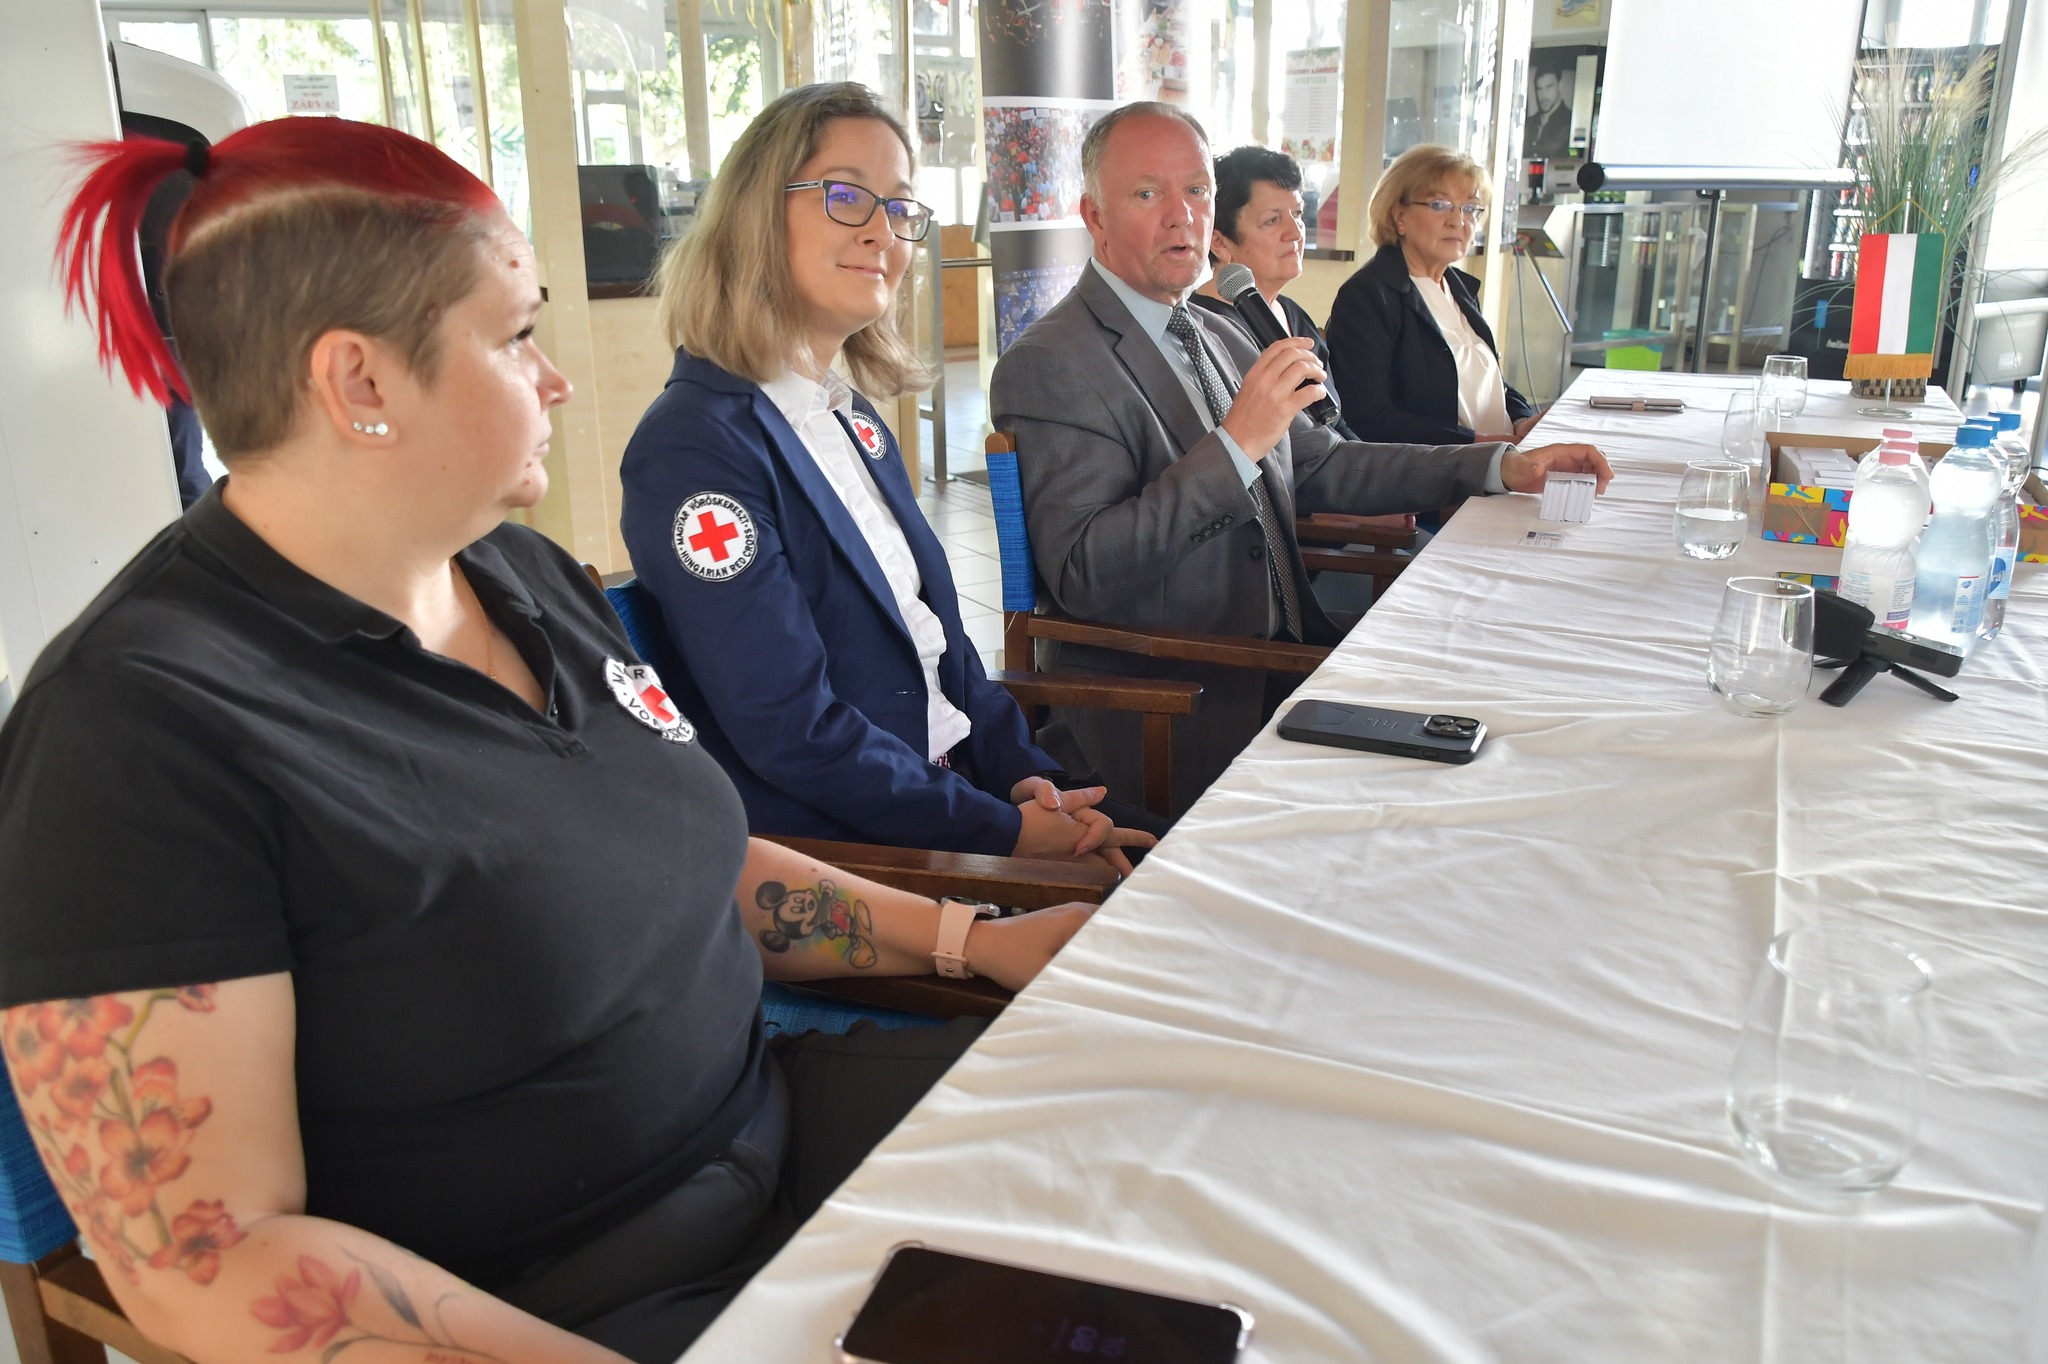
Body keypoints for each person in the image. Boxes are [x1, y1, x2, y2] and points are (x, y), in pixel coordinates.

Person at [0, 116, 1095, 1364]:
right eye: (517, 335)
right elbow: (208, 1259)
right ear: (359, 382)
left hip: (779, 1133)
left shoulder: (516, 574)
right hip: (569, 1300)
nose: (558, 379)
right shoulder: (137, 733)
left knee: (1141, 1140)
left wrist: (974, 939)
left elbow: (689, 859)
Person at [987, 103, 1611, 810]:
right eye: (1148, 193)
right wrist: (1236, 445)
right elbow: (1086, 571)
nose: (1182, 217)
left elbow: (1324, 464)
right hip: (1180, 705)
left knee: (1513, 720)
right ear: (1094, 218)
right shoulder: (1053, 362)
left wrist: (1498, 467)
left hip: (1292, 662)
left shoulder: (1219, 332)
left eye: (1197, 190)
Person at [619, 83, 1160, 866]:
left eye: (900, 206)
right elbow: (793, 731)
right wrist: (1004, 834)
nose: (882, 231)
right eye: (845, 196)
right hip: (868, 856)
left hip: (962, 793)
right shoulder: (694, 447)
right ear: (754, 216)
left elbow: (946, 655)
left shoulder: (854, 418)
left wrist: (1028, 782)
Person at [1324, 144, 1541, 448]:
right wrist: (1477, 444)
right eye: (1440, 205)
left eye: (1470, 208)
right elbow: (1368, 419)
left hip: (1499, 458)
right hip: (1437, 471)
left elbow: (1486, 381)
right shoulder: (1366, 296)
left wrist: (1522, 419)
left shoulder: (1458, 286)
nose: (1458, 221)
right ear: (1399, 215)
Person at [1189, 145, 1346, 434]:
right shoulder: (1204, 329)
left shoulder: (1292, 312)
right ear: (1219, 242)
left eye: (1298, 214)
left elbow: (1338, 428)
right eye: (1272, 220)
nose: (1296, 233)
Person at [1524, 68, 1572, 163]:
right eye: (1539, 89)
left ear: (1560, 86)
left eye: (1549, 87)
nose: (1544, 95)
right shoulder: (1529, 122)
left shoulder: (1570, 122)